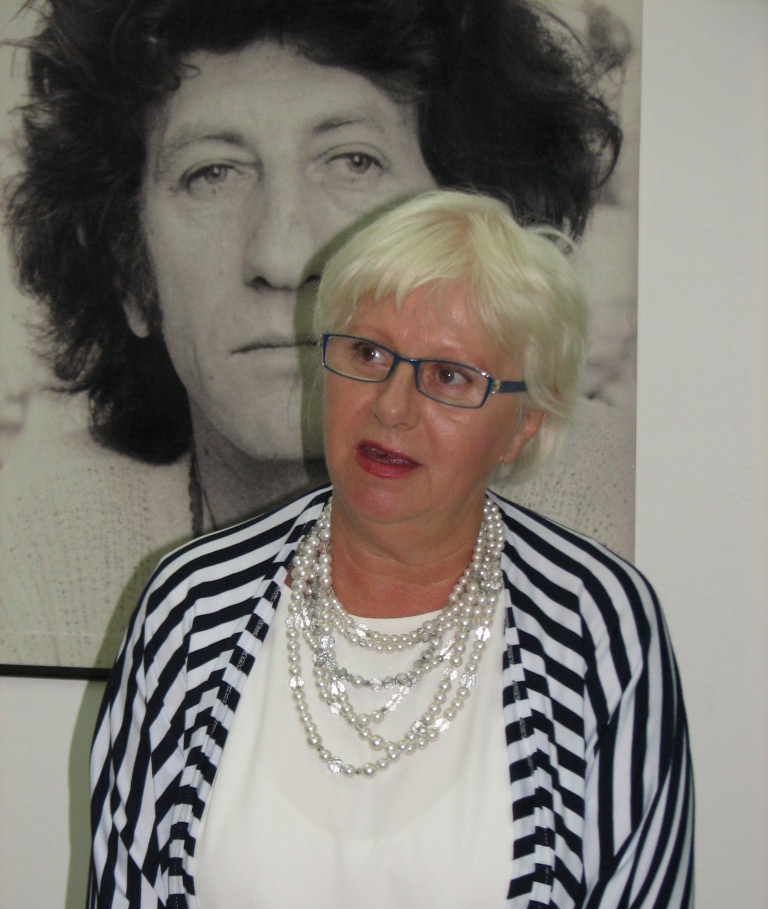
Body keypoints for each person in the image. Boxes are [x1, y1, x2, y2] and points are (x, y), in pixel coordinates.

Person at [79, 191, 693, 909]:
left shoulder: (600, 629)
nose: (393, 405)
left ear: (524, 424)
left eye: (450, 376)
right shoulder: (188, 609)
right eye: (367, 353)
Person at [0, 0, 633, 672]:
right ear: (132, 273)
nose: (281, 258)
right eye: (213, 173)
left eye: (353, 161)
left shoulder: (613, 509)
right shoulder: (37, 549)